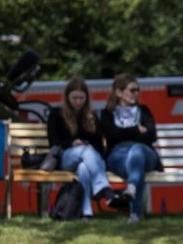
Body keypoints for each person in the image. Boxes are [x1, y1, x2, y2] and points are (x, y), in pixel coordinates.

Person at [45, 76, 124, 219]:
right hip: (66, 158)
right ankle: (104, 190)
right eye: (74, 98)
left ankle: (86, 213)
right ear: (67, 97)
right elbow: (54, 142)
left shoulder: (91, 116)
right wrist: (71, 143)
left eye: (81, 98)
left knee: (83, 167)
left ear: (86, 98)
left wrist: (90, 149)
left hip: (89, 159)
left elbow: (99, 145)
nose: (78, 102)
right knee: (84, 150)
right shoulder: (56, 114)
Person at [99, 73, 163, 223]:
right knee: (135, 163)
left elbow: (151, 135)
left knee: (137, 152)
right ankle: (135, 212)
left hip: (146, 153)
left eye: (137, 90)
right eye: (132, 90)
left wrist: (124, 135)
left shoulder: (144, 111)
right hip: (118, 155)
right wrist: (136, 130)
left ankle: (132, 188)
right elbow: (111, 135)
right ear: (119, 92)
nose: (136, 93)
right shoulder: (107, 113)